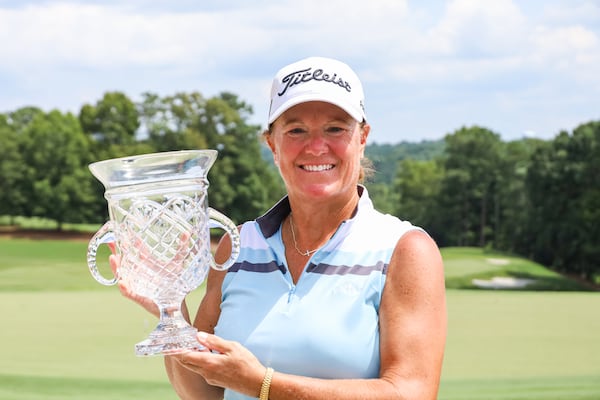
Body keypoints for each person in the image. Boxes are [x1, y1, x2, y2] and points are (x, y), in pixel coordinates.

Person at [111, 56, 447, 399]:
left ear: (362, 138)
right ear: (272, 143)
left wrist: (261, 384)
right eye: (296, 130)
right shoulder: (238, 246)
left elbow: (411, 392)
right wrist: (172, 309)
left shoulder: (404, 249)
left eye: (335, 128)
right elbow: (204, 393)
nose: (316, 146)